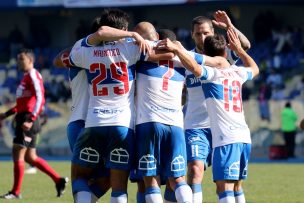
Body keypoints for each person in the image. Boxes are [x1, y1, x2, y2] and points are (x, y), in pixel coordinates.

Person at [158, 27, 259, 203]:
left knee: (224, 188)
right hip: (244, 136)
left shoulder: (212, 75)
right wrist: (240, 50)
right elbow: (254, 68)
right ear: (226, 50)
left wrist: (177, 49)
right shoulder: (239, 72)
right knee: (234, 185)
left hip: (225, 137)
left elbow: (196, 67)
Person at [69, 9, 152, 203]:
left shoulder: (82, 50)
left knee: (80, 177)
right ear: (123, 29)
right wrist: (133, 35)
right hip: (122, 125)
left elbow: (91, 41)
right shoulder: (131, 48)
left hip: (93, 123)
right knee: (119, 187)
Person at [183, 10, 251, 202]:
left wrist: (230, 27)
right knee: (195, 169)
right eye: (198, 33)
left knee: (234, 182)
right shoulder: (186, 58)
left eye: (206, 33)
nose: (202, 37)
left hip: (224, 127)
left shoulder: (224, 55)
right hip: (197, 126)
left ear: (212, 32)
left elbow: (245, 46)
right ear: (192, 35)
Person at [53, 16, 111, 202]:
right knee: (110, 177)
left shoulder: (76, 54)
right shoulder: (115, 56)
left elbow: (57, 60)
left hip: (76, 124)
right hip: (96, 122)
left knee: (88, 177)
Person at [134, 22, 193, 203]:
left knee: (148, 181)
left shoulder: (142, 55)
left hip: (149, 122)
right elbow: (214, 62)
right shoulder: (184, 60)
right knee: (178, 179)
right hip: (175, 124)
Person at [0, 49, 68, 200]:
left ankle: (15, 192)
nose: (19, 62)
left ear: (30, 60)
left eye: (22, 59)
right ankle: (59, 180)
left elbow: (40, 98)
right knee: (30, 157)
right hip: (23, 118)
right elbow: (23, 104)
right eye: (18, 59)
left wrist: (30, 119)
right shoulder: (25, 78)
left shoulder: (33, 75)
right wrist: (7, 114)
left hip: (28, 120)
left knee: (17, 151)